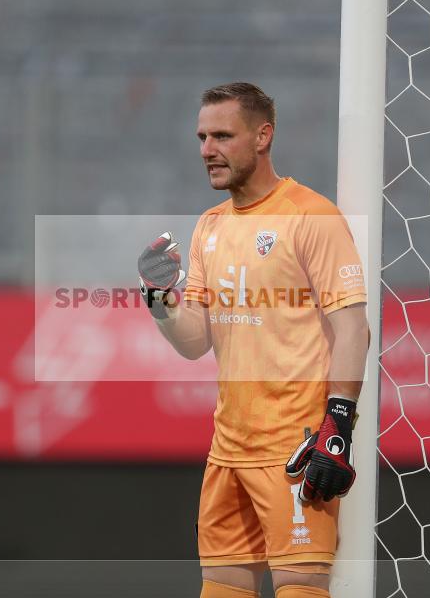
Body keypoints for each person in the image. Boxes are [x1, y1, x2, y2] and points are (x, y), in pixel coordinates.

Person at [137, 82, 369, 598]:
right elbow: (195, 340)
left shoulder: (311, 216)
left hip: (295, 450)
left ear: (263, 136)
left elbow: (354, 327)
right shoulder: (209, 227)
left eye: (222, 135)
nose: (207, 150)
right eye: (201, 137)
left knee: (301, 589)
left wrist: (338, 425)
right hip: (227, 452)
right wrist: (160, 299)